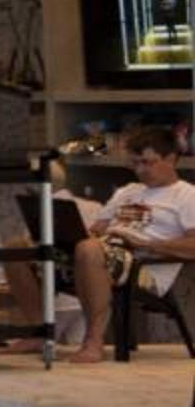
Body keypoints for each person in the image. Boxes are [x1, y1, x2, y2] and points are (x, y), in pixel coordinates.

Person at [67, 129, 195, 365]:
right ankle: (37, 333)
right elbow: (98, 229)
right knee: (23, 247)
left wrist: (149, 245)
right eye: (135, 163)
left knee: (89, 250)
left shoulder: (187, 195)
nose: (140, 170)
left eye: (147, 162)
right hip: (106, 248)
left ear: (170, 159)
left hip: (144, 264)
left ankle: (93, 342)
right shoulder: (127, 191)